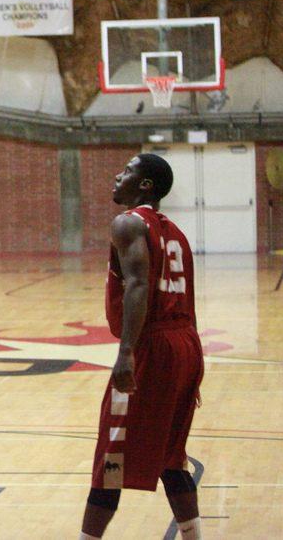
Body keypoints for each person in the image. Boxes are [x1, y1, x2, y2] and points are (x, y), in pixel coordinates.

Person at [79, 154, 205, 540]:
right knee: (172, 455)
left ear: (145, 185)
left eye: (127, 172)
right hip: (186, 342)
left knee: (111, 453)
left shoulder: (128, 223)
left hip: (153, 347)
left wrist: (126, 353)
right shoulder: (177, 233)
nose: (117, 176)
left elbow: (137, 286)